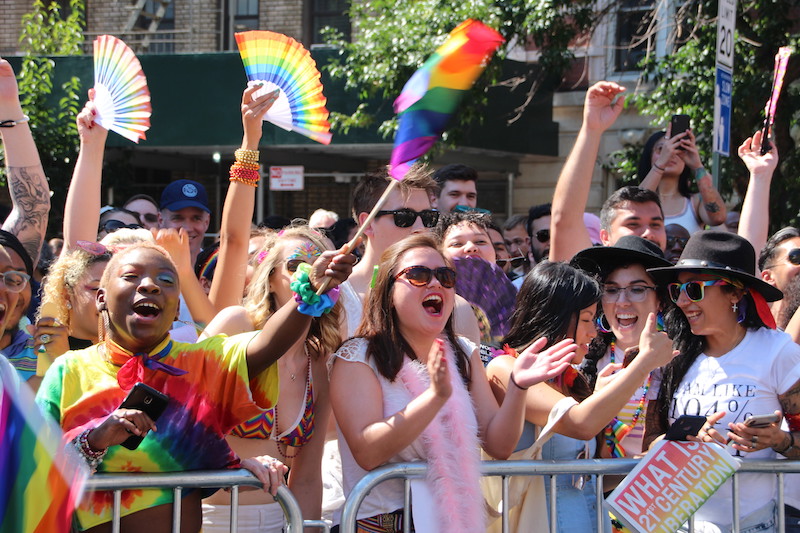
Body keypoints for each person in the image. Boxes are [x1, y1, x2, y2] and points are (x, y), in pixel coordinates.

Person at [35, 241, 354, 532]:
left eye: (166, 281)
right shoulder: (68, 371)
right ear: (101, 298)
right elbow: (31, 473)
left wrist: (309, 290)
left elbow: (270, 344)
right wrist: (94, 440)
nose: (149, 285)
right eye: (131, 276)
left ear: (175, 308)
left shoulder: (203, 363)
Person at [329, 234, 577, 532]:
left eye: (446, 277)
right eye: (419, 275)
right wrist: (434, 397)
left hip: (454, 520)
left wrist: (518, 388)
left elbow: (498, 445)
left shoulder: (463, 351)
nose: (436, 284)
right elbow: (367, 453)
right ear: (387, 290)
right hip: (382, 522)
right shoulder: (357, 357)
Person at [486, 260, 676, 533]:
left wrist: (658, 456)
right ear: (556, 317)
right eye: (587, 320)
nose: (593, 332)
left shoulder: (573, 381)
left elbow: (593, 476)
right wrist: (643, 363)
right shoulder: (506, 368)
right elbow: (579, 423)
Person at [645, 230, 800, 532]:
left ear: (735, 292)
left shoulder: (777, 351)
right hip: (678, 524)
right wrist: (681, 438)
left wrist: (780, 441)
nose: (684, 300)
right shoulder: (671, 354)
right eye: (677, 290)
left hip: (753, 525)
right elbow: (651, 442)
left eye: (695, 289)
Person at [201, 226, 341, 532]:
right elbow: (184, 414)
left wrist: (310, 528)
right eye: (295, 266)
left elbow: (306, 477)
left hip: (279, 519)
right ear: (270, 277)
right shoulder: (235, 324)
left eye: (320, 265)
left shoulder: (320, 359)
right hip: (211, 518)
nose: (311, 274)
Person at [572, 235, 673, 461]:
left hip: (659, 488)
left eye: (637, 289)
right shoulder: (583, 359)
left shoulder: (679, 360)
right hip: (597, 491)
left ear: (660, 300)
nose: (623, 301)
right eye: (611, 289)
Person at [549, 82, 668, 263]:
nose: (648, 233)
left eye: (656, 224)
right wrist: (592, 129)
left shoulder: (681, 287)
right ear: (605, 237)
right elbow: (565, 220)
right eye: (633, 224)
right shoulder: (593, 285)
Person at [638, 128, 727, 232]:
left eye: (678, 149)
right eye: (662, 149)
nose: (670, 154)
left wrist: (697, 166)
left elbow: (718, 218)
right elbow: (636, 208)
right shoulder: (634, 197)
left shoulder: (695, 202)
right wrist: (660, 164)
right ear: (648, 156)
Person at [160, 178, 212, 266]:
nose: (187, 228)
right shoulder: (148, 270)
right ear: (160, 220)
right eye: (177, 218)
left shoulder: (217, 270)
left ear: (206, 222)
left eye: (196, 218)